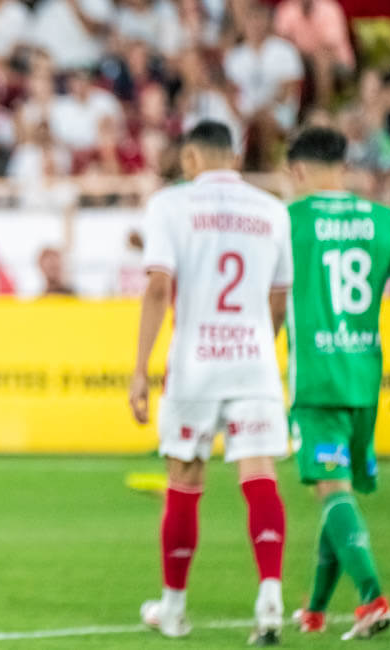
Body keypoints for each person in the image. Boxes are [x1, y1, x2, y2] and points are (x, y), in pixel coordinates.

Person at [129, 121, 291, 645]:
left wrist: (139, 368)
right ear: (235, 157)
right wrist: (257, 344)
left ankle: (174, 609)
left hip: (195, 361)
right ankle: (271, 597)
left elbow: (158, 288)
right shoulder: (272, 210)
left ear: (192, 158)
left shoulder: (169, 205)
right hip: (253, 361)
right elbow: (279, 298)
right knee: (259, 474)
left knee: (185, 478)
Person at [284, 127, 390, 641]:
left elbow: (271, 298)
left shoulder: (289, 221)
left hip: (316, 378)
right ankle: (315, 610)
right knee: (335, 491)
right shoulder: (385, 220)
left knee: (332, 488)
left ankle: (373, 597)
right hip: (364, 377)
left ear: (297, 170)